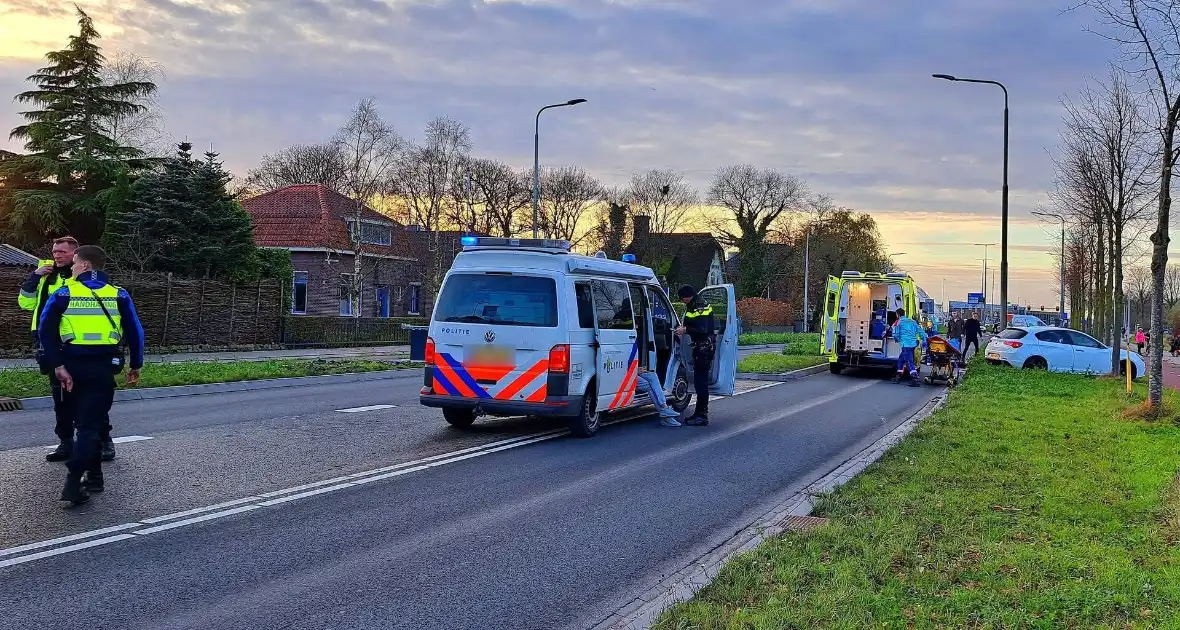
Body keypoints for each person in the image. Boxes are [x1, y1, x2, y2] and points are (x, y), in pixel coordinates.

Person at [38, 245, 144, 504]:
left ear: (85, 265)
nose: (71, 267)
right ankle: (87, 477)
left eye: (74, 263)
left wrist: (58, 365)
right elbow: (135, 332)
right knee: (91, 424)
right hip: (103, 368)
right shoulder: (119, 294)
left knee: (83, 424)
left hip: (71, 369)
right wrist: (136, 365)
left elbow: (44, 330)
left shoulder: (64, 293)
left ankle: (79, 480)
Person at [18, 236, 118, 463]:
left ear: (76, 255)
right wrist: (33, 278)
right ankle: (65, 443)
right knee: (60, 398)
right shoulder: (45, 276)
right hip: (50, 345)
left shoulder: (84, 278)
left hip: (81, 347)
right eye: (54, 251)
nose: (56, 255)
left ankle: (104, 441)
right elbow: (25, 303)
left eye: (62, 252)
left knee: (92, 399)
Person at [674, 285, 715, 427]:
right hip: (701, 346)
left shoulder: (700, 306)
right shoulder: (694, 304)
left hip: (704, 347)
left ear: (687, 296)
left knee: (700, 382)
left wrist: (685, 329)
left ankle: (702, 415)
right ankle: (699, 414)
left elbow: (702, 329)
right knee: (699, 382)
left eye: (682, 298)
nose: (682, 301)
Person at [891, 307, 927, 387]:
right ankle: (898, 375)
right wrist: (924, 340)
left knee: (909, 361)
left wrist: (896, 339)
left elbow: (896, 334)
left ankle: (915, 379)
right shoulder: (912, 321)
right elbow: (921, 331)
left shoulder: (899, 322)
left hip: (905, 344)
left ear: (897, 315)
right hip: (913, 344)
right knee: (901, 359)